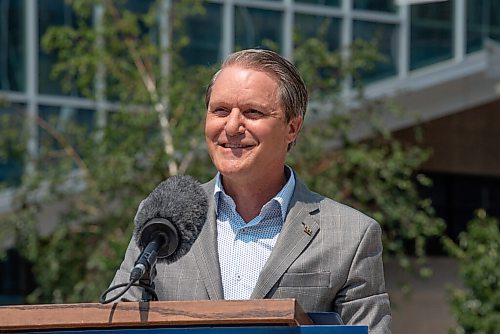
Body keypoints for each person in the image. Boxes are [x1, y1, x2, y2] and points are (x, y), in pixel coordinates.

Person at [109, 49, 391, 333]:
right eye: (220, 110)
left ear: (292, 128)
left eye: (252, 112)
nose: (232, 126)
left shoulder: (351, 235)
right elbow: (114, 321)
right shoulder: (163, 218)